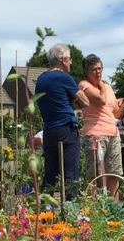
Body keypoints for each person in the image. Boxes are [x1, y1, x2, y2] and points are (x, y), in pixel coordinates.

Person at [34, 43, 90, 197]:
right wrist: (73, 101)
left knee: (50, 175)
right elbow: (85, 102)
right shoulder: (64, 77)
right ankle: (73, 216)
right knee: (71, 175)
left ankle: (46, 213)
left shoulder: (41, 80)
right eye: (69, 59)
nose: (71, 62)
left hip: (49, 131)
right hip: (66, 129)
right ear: (63, 60)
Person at [78, 54, 124, 199]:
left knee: (114, 173)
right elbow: (101, 100)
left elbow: (115, 113)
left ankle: (113, 210)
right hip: (96, 134)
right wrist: (102, 84)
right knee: (95, 175)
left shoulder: (108, 87)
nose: (98, 72)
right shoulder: (84, 86)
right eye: (94, 70)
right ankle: (94, 210)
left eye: (100, 68)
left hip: (113, 133)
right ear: (86, 72)